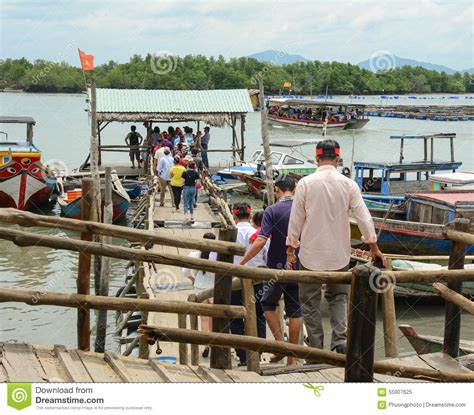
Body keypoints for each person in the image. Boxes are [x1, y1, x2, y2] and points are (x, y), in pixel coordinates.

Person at [287, 139, 386, 355]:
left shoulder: (305, 183)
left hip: (310, 256)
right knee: (338, 298)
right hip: (339, 256)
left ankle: (315, 349)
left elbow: (296, 220)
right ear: (338, 159)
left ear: (317, 158)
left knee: (310, 303)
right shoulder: (349, 184)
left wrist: (290, 248)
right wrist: (374, 247)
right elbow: (364, 217)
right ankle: (340, 343)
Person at [238, 177, 302, 365]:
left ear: (277, 190)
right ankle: (293, 358)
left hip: (276, 267)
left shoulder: (272, 210)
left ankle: (280, 345)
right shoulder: (303, 210)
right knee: (295, 311)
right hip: (300, 267)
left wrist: (242, 262)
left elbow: (261, 240)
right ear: (295, 189)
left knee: (267, 305)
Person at [230, 203, 268, 366]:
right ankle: (257, 352)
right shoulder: (260, 235)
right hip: (258, 281)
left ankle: (243, 356)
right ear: (250, 216)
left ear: (234, 216)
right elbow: (267, 257)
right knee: (259, 315)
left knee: (235, 318)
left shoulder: (230, 234)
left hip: (234, 282)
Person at [181, 232, 217, 358]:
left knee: (204, 318)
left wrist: (192, 278)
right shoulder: (218, 256)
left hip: (200, 288)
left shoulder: (195, 254)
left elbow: (184, 271)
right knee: (213, 317)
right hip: (214, 288)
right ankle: (214, 342)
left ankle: (206, 344)